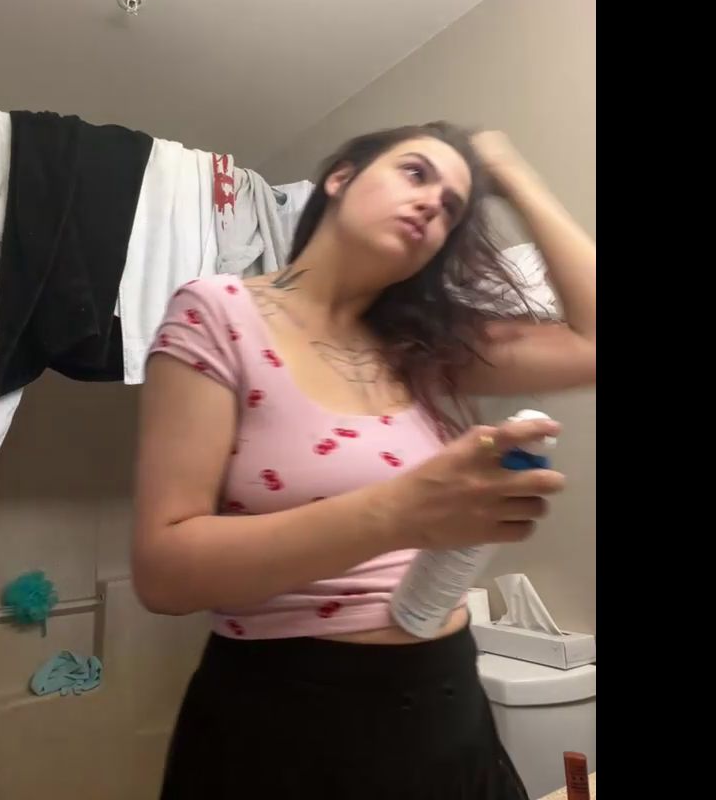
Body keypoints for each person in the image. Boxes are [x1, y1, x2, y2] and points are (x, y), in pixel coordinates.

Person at [132, 123, 596, 799]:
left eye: (453, 206)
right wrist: (399, 513)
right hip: (284, 726)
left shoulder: (426, 349)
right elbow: (163, 574)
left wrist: (509, 171)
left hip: (448, 708)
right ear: (341, 177)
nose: (433, 202)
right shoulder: (219, 313)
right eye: (415, 172)